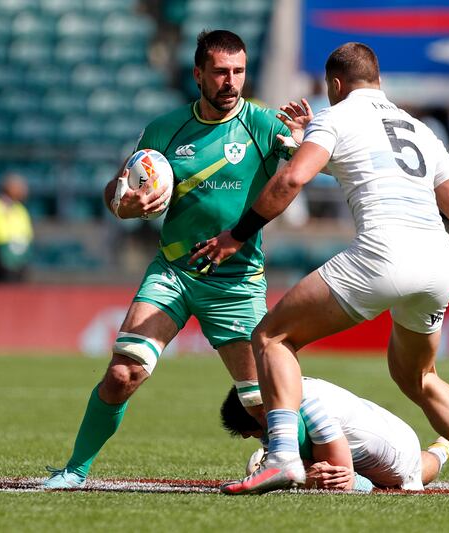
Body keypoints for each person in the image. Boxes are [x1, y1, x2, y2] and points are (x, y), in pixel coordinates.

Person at [191, 42, 449, 499]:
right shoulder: (421, 131)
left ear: (337, 85)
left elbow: (292, 179)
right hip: (439, 265)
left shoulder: (336, 116)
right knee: (419, 377)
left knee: (271, 337)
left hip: (383, 254)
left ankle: (284, 457)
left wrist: (236, 236)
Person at [44, 30, 301, 489]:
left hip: (236, 283)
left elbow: (302, 167)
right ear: (198, 74)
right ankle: (73, 471)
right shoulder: (164, 130)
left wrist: (302, 139)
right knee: (123, 373)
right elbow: (117, 186)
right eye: (221, 72)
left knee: (263, 405)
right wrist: (121, 202)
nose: (230, 82)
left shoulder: (264, 126)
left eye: (238, 72)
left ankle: (334, 469)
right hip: (174, 274)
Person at [221, 377, 449, 492]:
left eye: (251, 432)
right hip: (379, 424)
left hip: (397, 449)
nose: (250, 438)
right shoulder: (278, 395)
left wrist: (305, 480)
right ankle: (444, 445)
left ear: (260, 414)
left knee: (408, 472)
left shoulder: (311, 408)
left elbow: (343, 481)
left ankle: (444, 448)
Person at [0, 173, 33, 283]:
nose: (23, 190)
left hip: (18, 258)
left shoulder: (20, 209)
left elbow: (27, 235)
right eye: (18, 187)